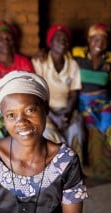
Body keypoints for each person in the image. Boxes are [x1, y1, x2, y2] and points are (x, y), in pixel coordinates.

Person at [0, 71, 87, 213]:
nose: (21, 122)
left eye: (30, 110)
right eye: (11, 115)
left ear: (46, 109)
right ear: (4, 118)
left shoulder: (66, 161)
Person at [72, 23, 111, 180]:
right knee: (93, 129)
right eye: (95, 39)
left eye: (103, 39)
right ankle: (93, 169)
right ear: (89, 39)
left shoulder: (109, 58)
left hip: (104, 100)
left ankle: (109, 172)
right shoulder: (77, 53)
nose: (99, 43)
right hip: (84, 102)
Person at [32, 24, 85, 163]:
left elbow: (74, 94)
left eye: (66, 39)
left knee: (76, 131)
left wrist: (66, 114)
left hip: (66, 110)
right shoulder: (40, 62)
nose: (62, 41)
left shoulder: (72, 64)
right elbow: (36, 94)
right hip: (44, 111)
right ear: (50, 42)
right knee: (48, 135)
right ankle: (62, 170)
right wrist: (54, 117)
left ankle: (75, 169)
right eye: (58, 38)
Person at [0, 21, 34, 148]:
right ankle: (5, 156)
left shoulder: (23, 61)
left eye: (8, 38)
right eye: (1, 39)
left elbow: (30, 87)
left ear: (14, 41)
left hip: (21, 103)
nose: (5, 42)